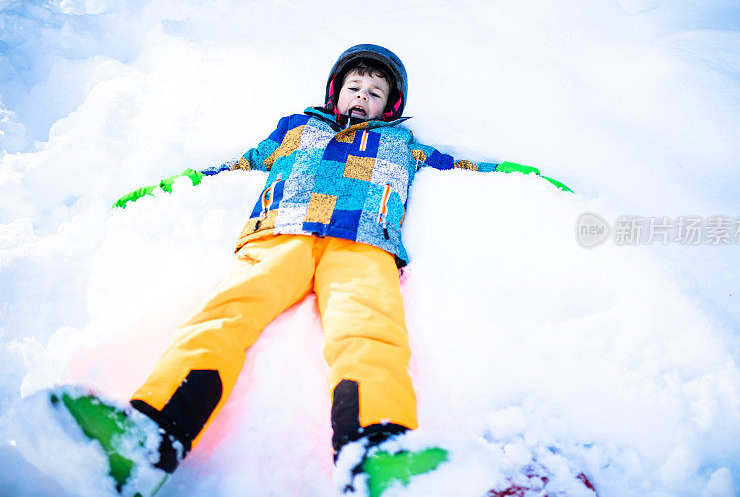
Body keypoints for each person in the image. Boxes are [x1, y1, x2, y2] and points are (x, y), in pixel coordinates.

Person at [67, 44, 571, 496]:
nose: (362, 96)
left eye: (375, 92)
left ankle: (375, 449)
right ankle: (152, 433)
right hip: (282, 233)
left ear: (389, 106)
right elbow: (237, 167)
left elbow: (462, 170)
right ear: (335, 92)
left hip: (364, 245)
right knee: (226, 315)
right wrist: (168, 188)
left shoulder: (404, 144)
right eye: (354, 86)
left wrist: (517, 177)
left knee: (370, 331)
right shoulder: (299, 128)